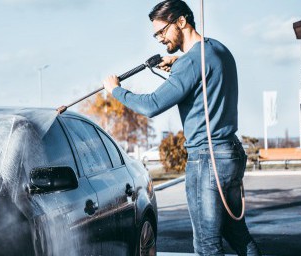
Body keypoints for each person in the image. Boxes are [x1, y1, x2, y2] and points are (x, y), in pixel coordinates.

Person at [101, 0, 261, 255]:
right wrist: (177, 61)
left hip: (206, 158)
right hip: (231, 152)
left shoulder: (190, 64)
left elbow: (152, 104)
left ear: (182, 21)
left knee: (207, 244)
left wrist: (116, 90)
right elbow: (205, 70)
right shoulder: (218, 50)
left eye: (162, 32)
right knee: (237, 234)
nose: (160, 39)